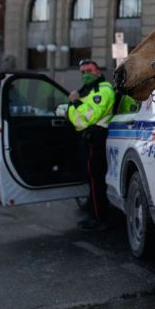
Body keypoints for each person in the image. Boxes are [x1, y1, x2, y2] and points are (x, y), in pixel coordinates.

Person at [67, 59, 117, 231]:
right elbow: (77, 118)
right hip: (89, 139)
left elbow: (88, 117)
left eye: (89, 70)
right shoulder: (87, 91)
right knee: (93, 179)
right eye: (82, 72)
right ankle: (93, 212)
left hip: (96, 138)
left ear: (97, 71)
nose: (85, 74)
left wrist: (74, 103)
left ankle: (99, 218)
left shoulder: (102, 90)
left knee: (96, 180)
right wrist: (76, 108)